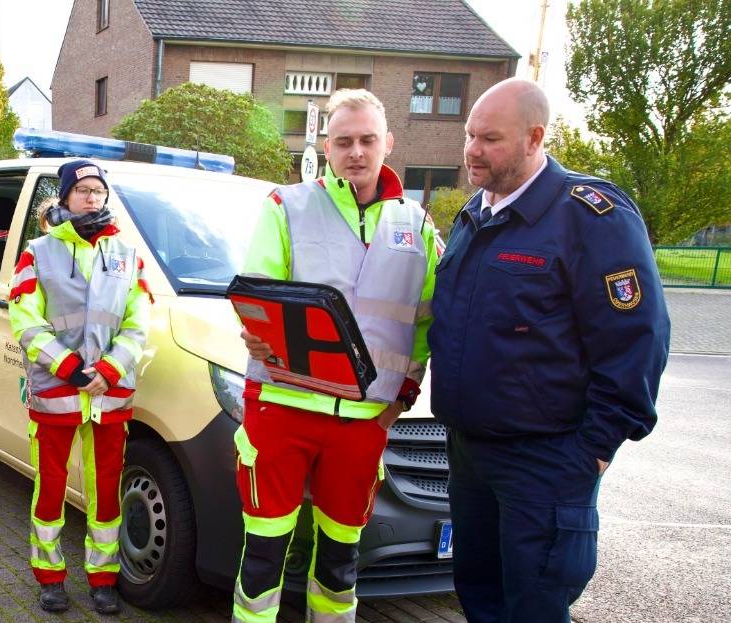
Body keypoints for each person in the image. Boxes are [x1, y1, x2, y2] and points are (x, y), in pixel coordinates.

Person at [428, 78, 670, 623]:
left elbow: (637, 337)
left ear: (535, 138)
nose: (472, 150)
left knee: (536, 605)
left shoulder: (589, 216)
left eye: (490, 139)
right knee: (480, 598)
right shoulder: (476, 214)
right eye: (470, 135)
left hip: (545, 460)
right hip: (470, 453)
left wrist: (596, 449)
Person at [236, 89, 441, 622]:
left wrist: (403, 395)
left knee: (340, 560)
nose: (356, 152)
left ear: (388, 142)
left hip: (364, 418)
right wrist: (252, 331)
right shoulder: (287, 206)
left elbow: (425, 323)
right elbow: (256, 296)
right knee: (262, 557)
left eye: (367, 140)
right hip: (283, 406)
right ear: (326, 147)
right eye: (344, 141)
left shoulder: (417, 225)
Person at [8, 160, 151, 615]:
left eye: (98, 191)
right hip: (58, 391)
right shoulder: (38, 252)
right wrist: (70, 368)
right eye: (83, 190)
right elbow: (25, 321)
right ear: (66, 195)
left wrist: (110, 369)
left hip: (109, 393)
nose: (92, 198)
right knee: (51, 488)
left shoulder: (127, 253)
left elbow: (138, 323)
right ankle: (49, 577)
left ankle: (103, 579)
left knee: (106, 491)